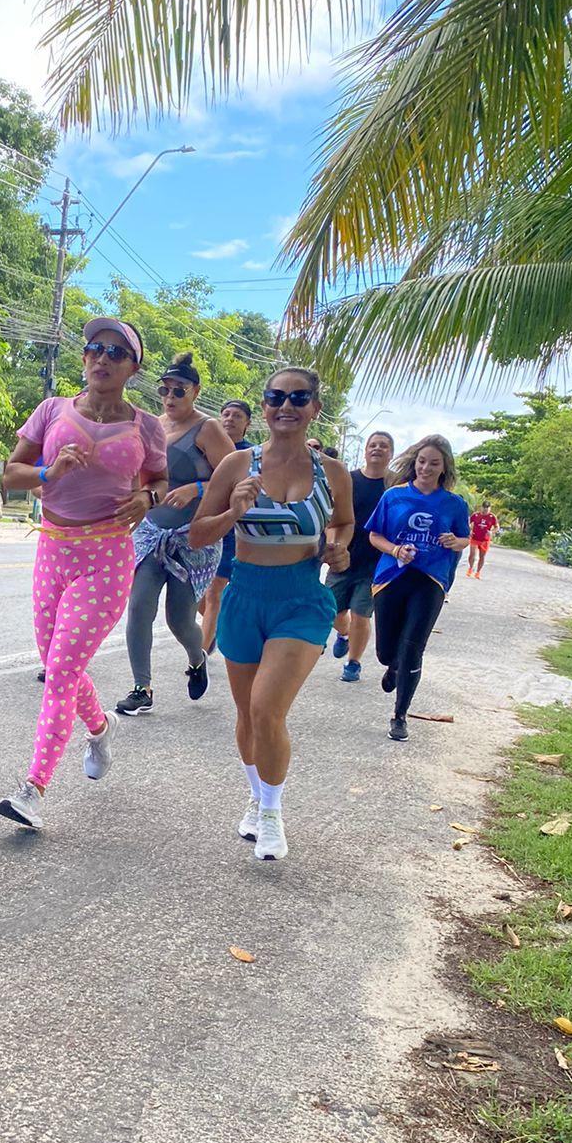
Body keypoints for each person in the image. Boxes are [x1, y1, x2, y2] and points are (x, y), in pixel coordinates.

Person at [0, 318, 166, 829]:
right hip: (52, 549)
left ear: (133, 367)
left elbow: (159, 477)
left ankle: (33, 788)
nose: (103, 357)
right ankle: (99, 729)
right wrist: (49, 473)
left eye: (117, 352)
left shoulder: (146, 426)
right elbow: (11, 473)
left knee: (60, 672)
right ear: (85, 356)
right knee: (57, 663)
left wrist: (147, 496)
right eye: (96, 348)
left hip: (106, 558)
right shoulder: (52, 411)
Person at [189, 367, 354, 861]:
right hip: (245, 596)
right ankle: (256, 798)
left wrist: (338, 548)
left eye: (299, 397)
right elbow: (199, 535)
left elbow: (344, 525)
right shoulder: (237, 465)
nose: (287, 405)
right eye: (276, 396)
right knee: (245, 712)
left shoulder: (333, 473)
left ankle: (272, 814)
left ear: (314, 409)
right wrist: (233, 512)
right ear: (263, 406)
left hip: (302, 599)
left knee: (266, 708)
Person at [116, 355, 233, 714]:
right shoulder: (151, 426)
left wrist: (197, 488)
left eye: (178, 391)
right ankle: (142, 687)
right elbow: (141, 476)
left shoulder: (209, 428)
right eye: (164, 390)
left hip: (193, 538)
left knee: (179, 619)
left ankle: (197, 659)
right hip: (153, 533)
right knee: (138, 607)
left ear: (195, 391)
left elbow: (235, 477)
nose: (169, 397)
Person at [367, 435, 469, 741]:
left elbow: (464, 538)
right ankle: (394, 666)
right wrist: (396, 550)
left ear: (444, 467)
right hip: (392, 577)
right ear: (414, 462)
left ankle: (399, 717)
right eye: (421, 461)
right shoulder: (394, 496)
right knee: (387, 652)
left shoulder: (454, 504)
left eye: (433, 463)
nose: (425, 467)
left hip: (430, 580)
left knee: (413, 647)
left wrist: (455, 541)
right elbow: (374, 535)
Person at [327, 431, 394, 683]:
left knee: (361, 613)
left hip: (376, 563)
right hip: (343, 555)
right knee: (331, 610)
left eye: (384, 446)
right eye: (373, 445)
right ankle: (343, 634)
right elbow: (332, 515)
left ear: (391, 453)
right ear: (365, 450)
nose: (377, 449)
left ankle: (353, 663)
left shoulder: (394, 487)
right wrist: (332, 543)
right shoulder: (349, 479)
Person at [197, 398, 252, 656]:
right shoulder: (205, 448)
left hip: (232, 531)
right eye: (226, 414)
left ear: (247, 423)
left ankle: (199, 655)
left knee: (213, 591)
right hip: (198, 527)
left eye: (237, 416)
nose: (230, 419)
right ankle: (216, 626)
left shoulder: (249, 456)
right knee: (196, 596)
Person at [466, 499, 499, 578]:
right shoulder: (476, 515)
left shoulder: (492, 517)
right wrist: (469, 530)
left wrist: (492, 532)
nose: (485, 510)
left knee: (482, 556)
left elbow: (497, 527)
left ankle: (478, 572)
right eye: (484, 508)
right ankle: (470, 568)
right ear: (481, 508)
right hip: (474, 537)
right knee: (472, 554)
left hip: (485, 539)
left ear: (489, 508)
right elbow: (467, 523)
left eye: (487, 508)